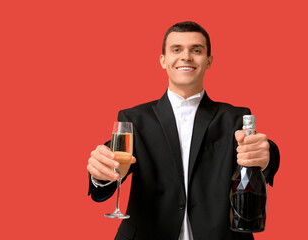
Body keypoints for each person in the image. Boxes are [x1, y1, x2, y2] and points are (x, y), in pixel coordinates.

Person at [87, 21, 280, 240]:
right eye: (176, 49)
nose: (186, 57)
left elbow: (257, 156)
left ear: (208, 61)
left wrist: (266, 157)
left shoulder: (235, 117)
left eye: (196, 50)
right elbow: (107, 173)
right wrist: (99, 175)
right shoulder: (134, 119)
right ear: (163, 60)